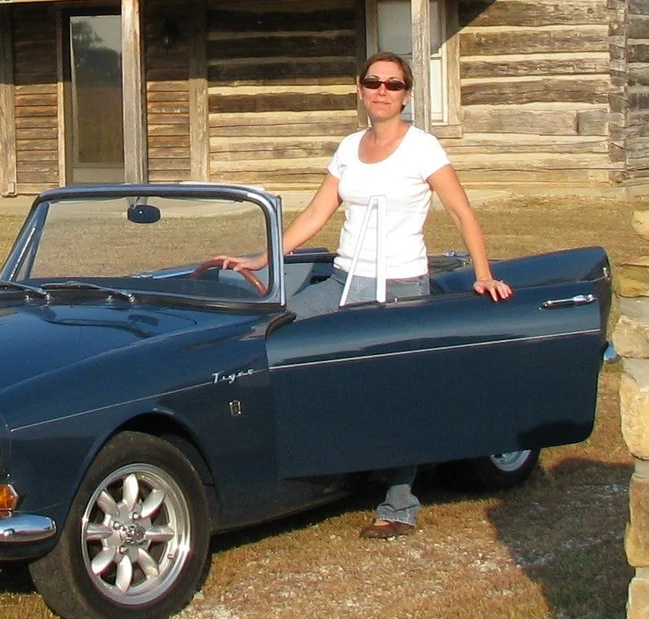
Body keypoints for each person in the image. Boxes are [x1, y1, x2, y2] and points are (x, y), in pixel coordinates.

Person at [211, 50, 511, 540]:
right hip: (342, 281)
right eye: (374, 82)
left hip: (400, 286)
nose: (382, 92)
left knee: (394, 389)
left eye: (393, 85)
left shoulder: (423, 149)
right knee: (276, 339)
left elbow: (461, 212)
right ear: (360, 88)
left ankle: (398, 502)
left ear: (407, 95)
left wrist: (482, 272)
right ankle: (312, 461)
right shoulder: (349, 147)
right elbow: (316, 213)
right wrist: (263, 258)